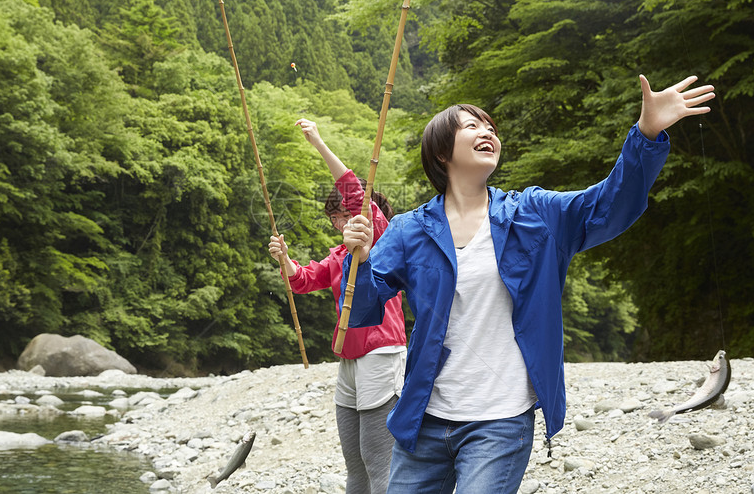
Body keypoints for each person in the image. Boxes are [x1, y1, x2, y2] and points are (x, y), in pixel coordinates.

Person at [339, 75, 716, 493]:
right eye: (471, 126)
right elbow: (358, 313)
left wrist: (646, 134)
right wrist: (359, 260)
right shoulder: (410, 229)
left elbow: (609, 205)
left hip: (500, 422)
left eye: (491, 128)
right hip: (423, 421)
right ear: (442, 152)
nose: (487, 132)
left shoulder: (533, 213)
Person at [268, 119, 407, 494]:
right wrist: (285, 260)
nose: (341, 223)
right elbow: (302, 280)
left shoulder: (379, 239)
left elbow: (352, 190)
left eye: (345, 215)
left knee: (379, 462)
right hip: (348, 357)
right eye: (334, 219)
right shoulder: (339, 255)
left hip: (381, 353)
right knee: (354, 465)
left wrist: (317, 142)